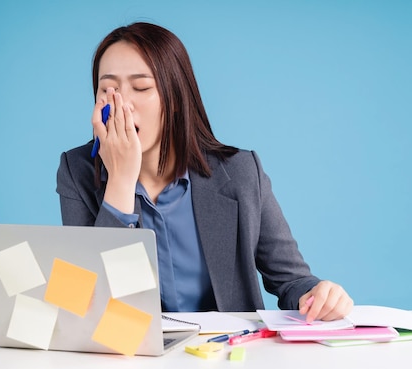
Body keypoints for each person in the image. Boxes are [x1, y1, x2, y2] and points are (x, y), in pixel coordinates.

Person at [56, 22, 353, 322]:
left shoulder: (240, 172)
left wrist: (320, 296)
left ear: (174, 99)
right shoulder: (76, 172)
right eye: (109, 90)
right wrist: (119, 181)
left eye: (141, 87)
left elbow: (292, 282)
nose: (123, 106)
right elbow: (82, 305)